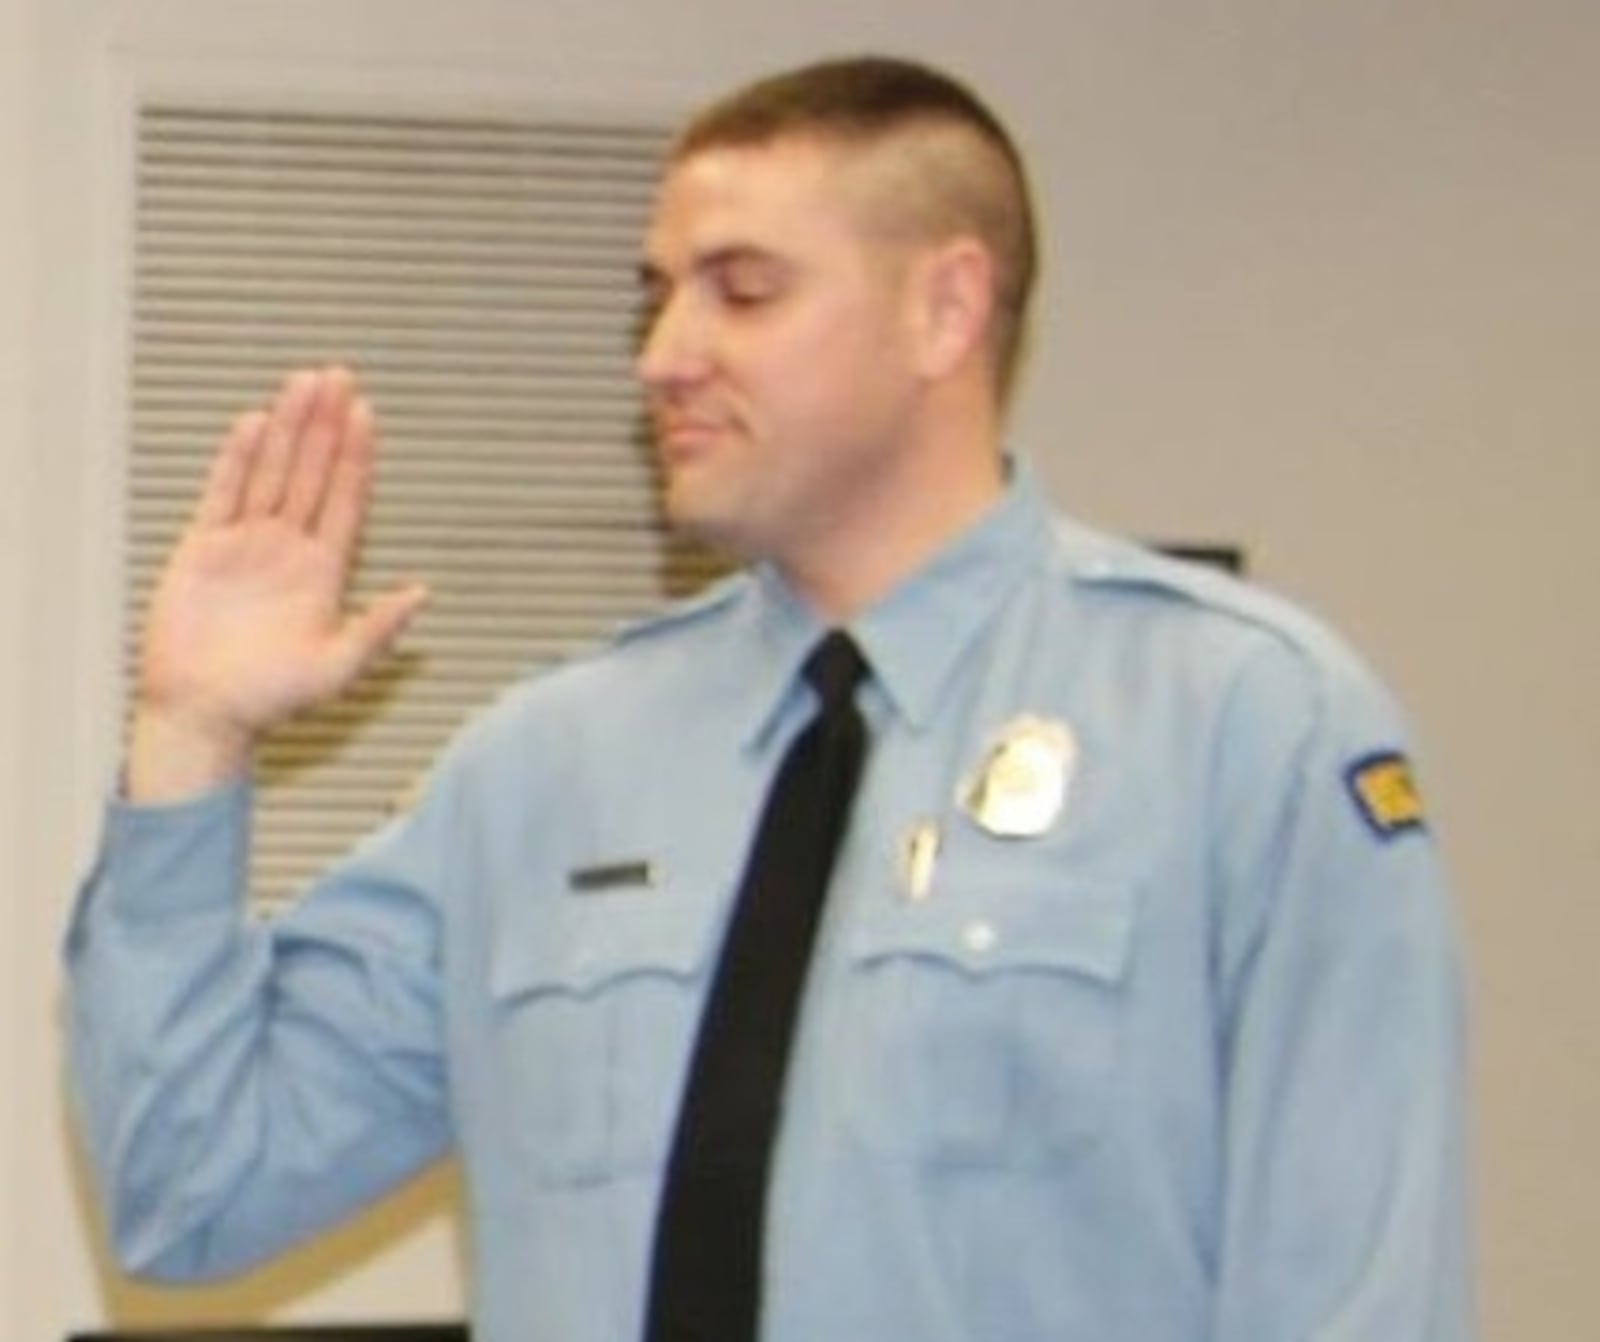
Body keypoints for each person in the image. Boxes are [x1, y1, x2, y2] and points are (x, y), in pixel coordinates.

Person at [65, 54, 1476, 1342]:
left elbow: (1355, 1300)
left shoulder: (1244, 723)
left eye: (743, 290)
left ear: (946, 308)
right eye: (660, 291)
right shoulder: (548, 763)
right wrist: (190, 737)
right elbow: (194, 1191)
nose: (665, 353)